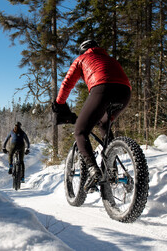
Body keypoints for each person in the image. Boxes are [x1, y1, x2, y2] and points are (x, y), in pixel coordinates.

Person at [53, 39, 131, 192]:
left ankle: (93, 170)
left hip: (102, 88)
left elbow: (67, 83)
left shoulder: (81, 59)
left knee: (80, 131)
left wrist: (59, 104)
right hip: (125, 91)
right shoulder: (109, 59)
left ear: (83, 51)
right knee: (103, 124)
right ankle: (112, 169)